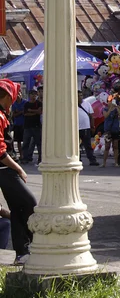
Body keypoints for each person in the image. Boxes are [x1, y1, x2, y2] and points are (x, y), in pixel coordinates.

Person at [0, 79, 37, 265]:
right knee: (30, 203)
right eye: (14, 96)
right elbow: (0, 151)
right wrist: (19, 168)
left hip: (5, 169)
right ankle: (34, 245)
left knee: (17, 209)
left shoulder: (3, 114)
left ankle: (22, 252)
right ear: (7, 97)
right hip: (5, 169)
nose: (15, 99)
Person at [77, 91, 98, 166]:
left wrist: (92, 126)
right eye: (78, 96)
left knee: (88, 145)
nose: (80, 97)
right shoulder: (71, 104)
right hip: (75, 129)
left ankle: (92, 160)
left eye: (81, 95)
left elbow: (91, 116)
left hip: (85, 127)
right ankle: (77, 159)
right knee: (75, 146)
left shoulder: (87, 104)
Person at [22, 89, 42, 165]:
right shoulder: (26, 104)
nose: (33, 96)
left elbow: (40, 112)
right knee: (26, 143)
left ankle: (40, 158)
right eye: (32, 94)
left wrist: (31, 111)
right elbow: (25, 114)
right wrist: (35, 112)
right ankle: (25, 158)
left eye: (35, 94)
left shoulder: (39, 103)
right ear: (29, 95)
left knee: (39, 143)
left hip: (36, 126)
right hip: (27, 126)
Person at [101, 100, 120, 167]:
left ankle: (116, 162)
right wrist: (110, 108)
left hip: (115, 130)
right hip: (108, 130)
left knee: (115, 146)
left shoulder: (116, 109)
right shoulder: (105, 109)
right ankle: (104, 162)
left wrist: (117, 108)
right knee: (107, 146)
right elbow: (106, 116)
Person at [10, 92, 25, 161]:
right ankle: (21, 155)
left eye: (19, 94)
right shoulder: (14, 104)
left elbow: (26, 112)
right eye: (16, 94)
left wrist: (18, 112)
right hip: (17, 124)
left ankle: (25, 154)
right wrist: (21, 112)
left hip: (25, 124)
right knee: (18, 141)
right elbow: (13, 115)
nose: (18, 96)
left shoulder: (25, 102)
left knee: (25, 141)